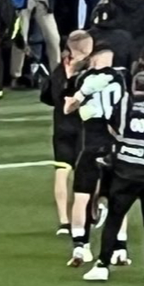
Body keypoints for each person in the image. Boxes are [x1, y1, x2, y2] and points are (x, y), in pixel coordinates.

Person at [83, 69, 144, 284]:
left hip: (125, 171)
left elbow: (114, 126)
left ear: (134, 87)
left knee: (115, 219)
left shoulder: (124, 105)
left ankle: (102, 265)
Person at [66, 42, 126, 265]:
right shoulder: (121, 78)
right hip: (115, 144)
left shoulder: (83, 79)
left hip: (92, 141)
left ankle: (80, 246)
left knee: (82, 195)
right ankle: (120, 247)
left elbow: (72, 107)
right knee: (119, 196)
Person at [43, 29, 94, 237]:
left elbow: (46, 95)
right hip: (83, 126)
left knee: (62, 171)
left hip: (61, 126)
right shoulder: (89, 71)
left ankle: (64, 221)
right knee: (88, 171)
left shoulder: (58, 69)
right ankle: (90, 214)